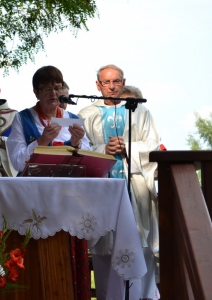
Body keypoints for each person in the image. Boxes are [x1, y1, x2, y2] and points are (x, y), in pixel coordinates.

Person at [6, 65, 91, 299]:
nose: (53, 93)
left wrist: (76, 143)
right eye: (46, 88)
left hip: (68, 197)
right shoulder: (22, 118)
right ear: (35, 92)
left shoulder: (74, 120)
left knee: (67, 252)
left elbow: (88, 160)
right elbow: (15, 160)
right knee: (33, 250)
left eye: (57, 87)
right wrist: (41, 141)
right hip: (33, 197)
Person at [79, 65, 160, 300]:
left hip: (134, 186)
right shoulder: (86, 113)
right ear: (97, 85)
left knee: (138, 241)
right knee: (105, 246)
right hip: (101, 189)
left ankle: (142, 296)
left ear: (123, 82)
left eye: (116, 82)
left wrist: (128, 149)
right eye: (106, 82)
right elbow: (80, 151)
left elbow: (152, 144)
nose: (112, 87)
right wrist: (102, 149)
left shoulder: (139, 111)